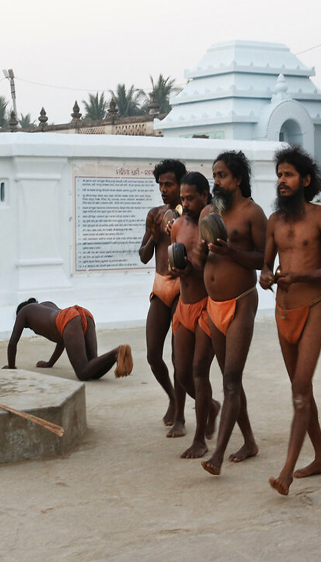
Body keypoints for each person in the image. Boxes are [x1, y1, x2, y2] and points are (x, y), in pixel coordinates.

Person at [259, 147, 321, 497]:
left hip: (311, 308)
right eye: (279, 174)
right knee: (302, 390)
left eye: (289, 175)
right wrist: (265, 276)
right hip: (282, 311)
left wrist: (301, 276)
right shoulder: (274, 222)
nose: (282, 180)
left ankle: (287, 471)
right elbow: (265, 266)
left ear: (305, 180)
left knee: (299, 388)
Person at [197, 150, 267, 476]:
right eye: (214, 176)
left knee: (229, 380)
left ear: (237, 179)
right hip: (214, 306)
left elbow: (265, 260)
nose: (216, 182)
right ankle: (249, 441)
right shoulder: (209, 213)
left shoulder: (253, 213)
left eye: (222, 175)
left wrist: (233, 252)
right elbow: (202, 261)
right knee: (231, 382)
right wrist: (198, 254)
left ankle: (219, 454)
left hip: (241, 301)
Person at [168, 171, 220, 458]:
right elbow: (172, 258)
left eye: (190, 198)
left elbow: (215, 269)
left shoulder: (210, 224)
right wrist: (177, 269)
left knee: (200, 371)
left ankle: (200, 438)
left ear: (204, 195)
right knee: (182, 372)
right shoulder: (177, 225)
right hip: (183, 305)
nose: (185, 203)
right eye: (183, 198)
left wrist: (193, 268)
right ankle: (211, 406)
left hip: (204, 306)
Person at [139, 159, 187, 434]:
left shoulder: (191, 215)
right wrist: (153, 236)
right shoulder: (155, 214)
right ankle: (171, 396)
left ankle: (180, 416)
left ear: (181, 184)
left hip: (182, 288)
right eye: (160, 184)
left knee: (178, 357)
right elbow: (144, 256)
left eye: (169, 184)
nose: (163, 189)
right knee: (153, 355)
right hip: (160, 287)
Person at [4, 299, 133, 380]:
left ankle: (116, 352)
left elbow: (12, 343)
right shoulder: (47, 304)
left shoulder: (24, 312)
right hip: (84, 314)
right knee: (94, 371)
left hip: (70, 320)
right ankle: (117, 353)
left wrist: (11, 366)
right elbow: (62, 339)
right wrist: (50, 363)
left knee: (82, 372)